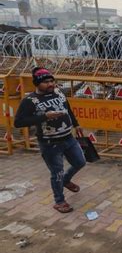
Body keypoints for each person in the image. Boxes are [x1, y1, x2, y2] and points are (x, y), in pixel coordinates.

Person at [14, 67, 86, 213]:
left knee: (80, 162)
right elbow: (19, 122)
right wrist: (45, 117)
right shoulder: (30, 101)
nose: (50, 84)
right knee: (57, 173)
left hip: (68, 138)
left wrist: (76, 124)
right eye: (46, 82)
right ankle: (59, 201)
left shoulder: (58, 92)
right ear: (37, 84)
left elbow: (68, 109)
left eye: (52, 81)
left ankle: (66, 180)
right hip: (50, 143)